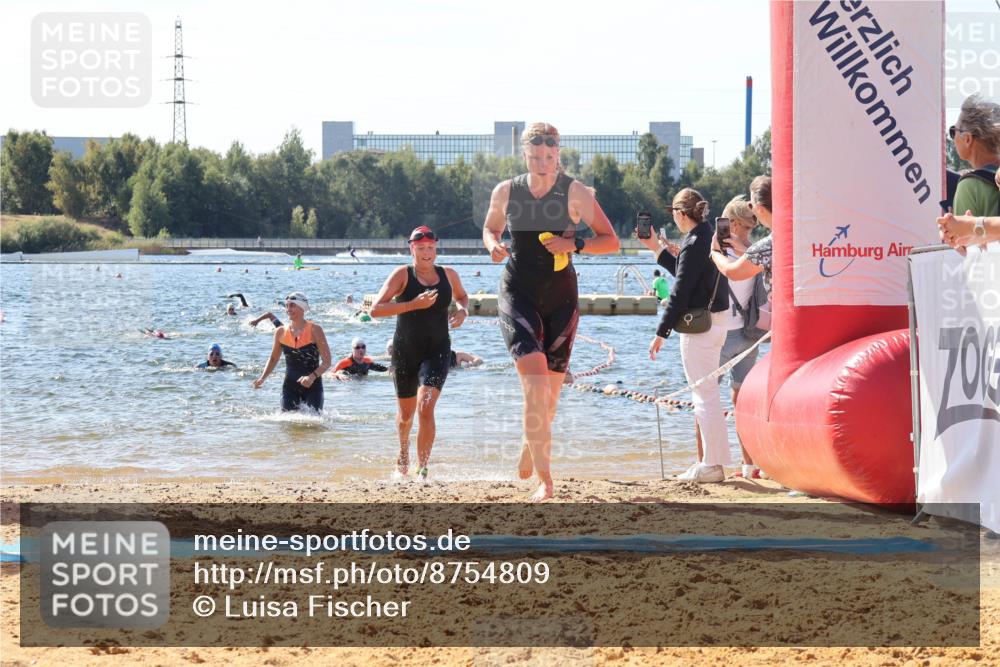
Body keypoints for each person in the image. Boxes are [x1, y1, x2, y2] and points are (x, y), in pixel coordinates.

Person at [482, 122, 620, 501]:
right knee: (535, 386)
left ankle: (532, 445)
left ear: (558, 154)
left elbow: (611, 242)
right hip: (517, 294)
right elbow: (490, 228)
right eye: (535, 157)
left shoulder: (575, 192)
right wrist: (492, 244)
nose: (542, 164)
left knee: (550, 400)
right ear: (524, 155)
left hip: (561, 300)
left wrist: (573, 246)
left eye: (549, 156)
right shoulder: (507, 191)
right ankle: (547, 480)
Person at [640, 187, 730, 483]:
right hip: (717, 321)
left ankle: (712, 465)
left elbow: (679, 292)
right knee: (709, 393)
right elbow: (685, 273)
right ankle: (712, 462)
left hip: (700, 327)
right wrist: (657, 249)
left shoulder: (694, 241)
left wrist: (660, 333)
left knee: (704, 395)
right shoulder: (706, 235)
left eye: (674, 214)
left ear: (680, 214)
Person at [370, 226, 470, 479]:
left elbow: (462, 297)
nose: (427, 253)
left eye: (431, 248)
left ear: (436, 248)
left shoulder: (448, 274)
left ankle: (422, 467)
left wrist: (462, 311)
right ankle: (403, 454)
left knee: (425, 407)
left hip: (437, 350)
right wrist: (413, 305)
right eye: (421, 248)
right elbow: (376, 309)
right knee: (406, 416)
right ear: (411, 248)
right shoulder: (402, 275)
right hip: (405, 351)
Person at [706, 195, 763, 479]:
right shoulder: (756, 251)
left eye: (727, 221)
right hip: (750, 334)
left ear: (735, 223)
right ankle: (749, 465)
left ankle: (707, 463)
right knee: (743, 402)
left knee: (705, 397)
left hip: (720, 334)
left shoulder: (720, 254)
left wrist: (713, 251)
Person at [252, 292, 332, 412]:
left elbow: (327, 361)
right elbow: (273, 359)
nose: (288, 309)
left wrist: (311, 377)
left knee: (314, 425)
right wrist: (262, 378)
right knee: (287, 424)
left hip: (313, 386)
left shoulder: (315, 330)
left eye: (292, 305)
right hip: (289, 387)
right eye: (287, 306)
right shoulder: (280, 332)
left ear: (302, 307)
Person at [950, 94, 1000, 218]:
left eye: (953, 131)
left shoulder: (969, 186)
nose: (953, 139)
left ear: (967, 139)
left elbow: (963, 237)